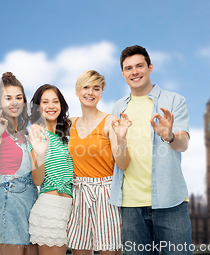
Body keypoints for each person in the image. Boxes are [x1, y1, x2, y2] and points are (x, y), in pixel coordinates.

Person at [110, 45, 192, 255]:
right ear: (122, 73)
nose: (134, 72)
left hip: (170, 201)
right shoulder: (119, 108)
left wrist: (169, 135)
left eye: (139, 66)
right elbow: (121, 163)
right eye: (128, 68)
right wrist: (120, 140)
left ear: (150, 67)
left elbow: (183, 144)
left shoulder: (174, 101)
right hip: (131, 206)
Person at [67, 70, 132, 255]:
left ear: (101, 93)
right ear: (77, 91)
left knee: (110, 250)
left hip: (106, 194)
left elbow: (123, 163)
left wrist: (121, 139)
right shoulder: (69, 124)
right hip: (79, 193)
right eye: (85, 87)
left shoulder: (110, 122)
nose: (90, 92)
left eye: (96, 88)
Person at [0, 72, 38, 255]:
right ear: (0, 102)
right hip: (9, 199)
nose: (14, 102)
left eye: (18, 98)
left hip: (32, 199)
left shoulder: (26, 133)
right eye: (8, 98)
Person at [27, 84, 73, 255]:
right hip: (50, 210)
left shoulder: (67, 139)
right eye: (45, 102)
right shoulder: (36, 135)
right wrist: (40, 154)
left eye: (55, 101)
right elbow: (37, 180)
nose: (51, 106)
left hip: (69, 210)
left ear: (61, 105)